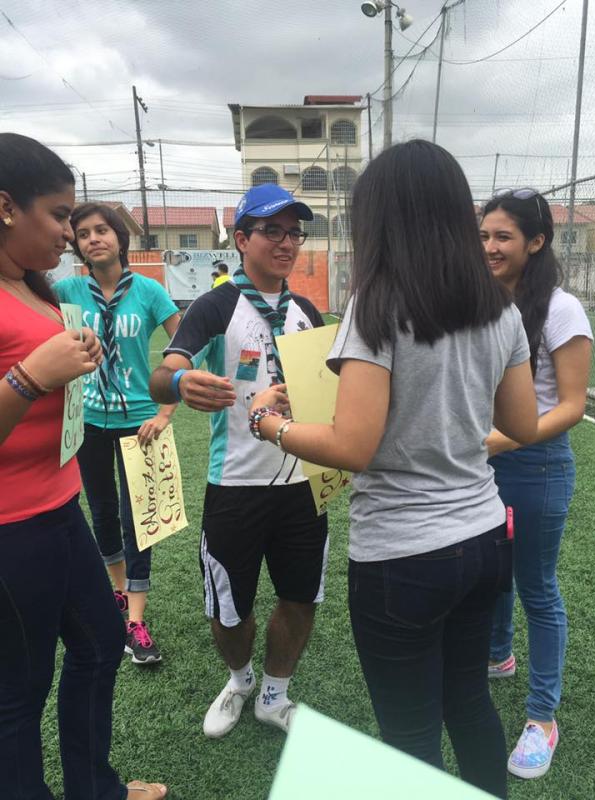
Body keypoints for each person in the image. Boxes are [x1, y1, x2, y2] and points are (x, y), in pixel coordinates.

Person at [246, 141, 538, 799]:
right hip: (486, 538)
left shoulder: (377, 305)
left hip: (403, 559)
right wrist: (447, 435)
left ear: (380, 217)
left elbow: (353, 445)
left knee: (409, 739)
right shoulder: (498, 308)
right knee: (469, 702)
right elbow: (521, 425)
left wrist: (271, 424)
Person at [0, 133, 167, 799]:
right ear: (7, 206)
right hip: (12, 529)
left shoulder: (33, 286)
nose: (71, 232)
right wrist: (30, 379)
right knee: (18, 693)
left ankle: (94, 788)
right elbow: (27, 380)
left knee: (100, 648)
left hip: (58, 509)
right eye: (60, 215)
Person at [149, 183, 328, 738]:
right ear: (242, 237)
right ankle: (241, 678)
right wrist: (182, 380)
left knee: (301, 597)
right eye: (272, 230)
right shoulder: (216, 304)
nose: (286, 242)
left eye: (294, 232)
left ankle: (275, 694)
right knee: (229, 608)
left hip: (303, 484)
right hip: (235, 486)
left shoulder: (305, 310)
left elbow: (326, 390)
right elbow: (163, 371)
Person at [481, 189, 593, 779]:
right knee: (491, 571)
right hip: (484, 466)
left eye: (502, 237)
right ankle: (498, 655)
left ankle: (543, 716)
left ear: (536, 241)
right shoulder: (480, 302)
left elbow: (572, 404)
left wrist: (501, 440)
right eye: (484, 236)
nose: (490, 247)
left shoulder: (561, 308)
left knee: (538, 588)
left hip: (538, 464)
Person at [53, 202, 180, 665]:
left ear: (120, 238)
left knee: (140, 521)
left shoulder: (148, 291)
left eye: (102, 230)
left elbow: (185, 346)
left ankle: (136, 622)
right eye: (83, 233)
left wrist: (166, 411)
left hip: (140, 421)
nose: (93, 239)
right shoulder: (65, 290)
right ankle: (119, 593)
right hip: (87, 421)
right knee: (103, 513)